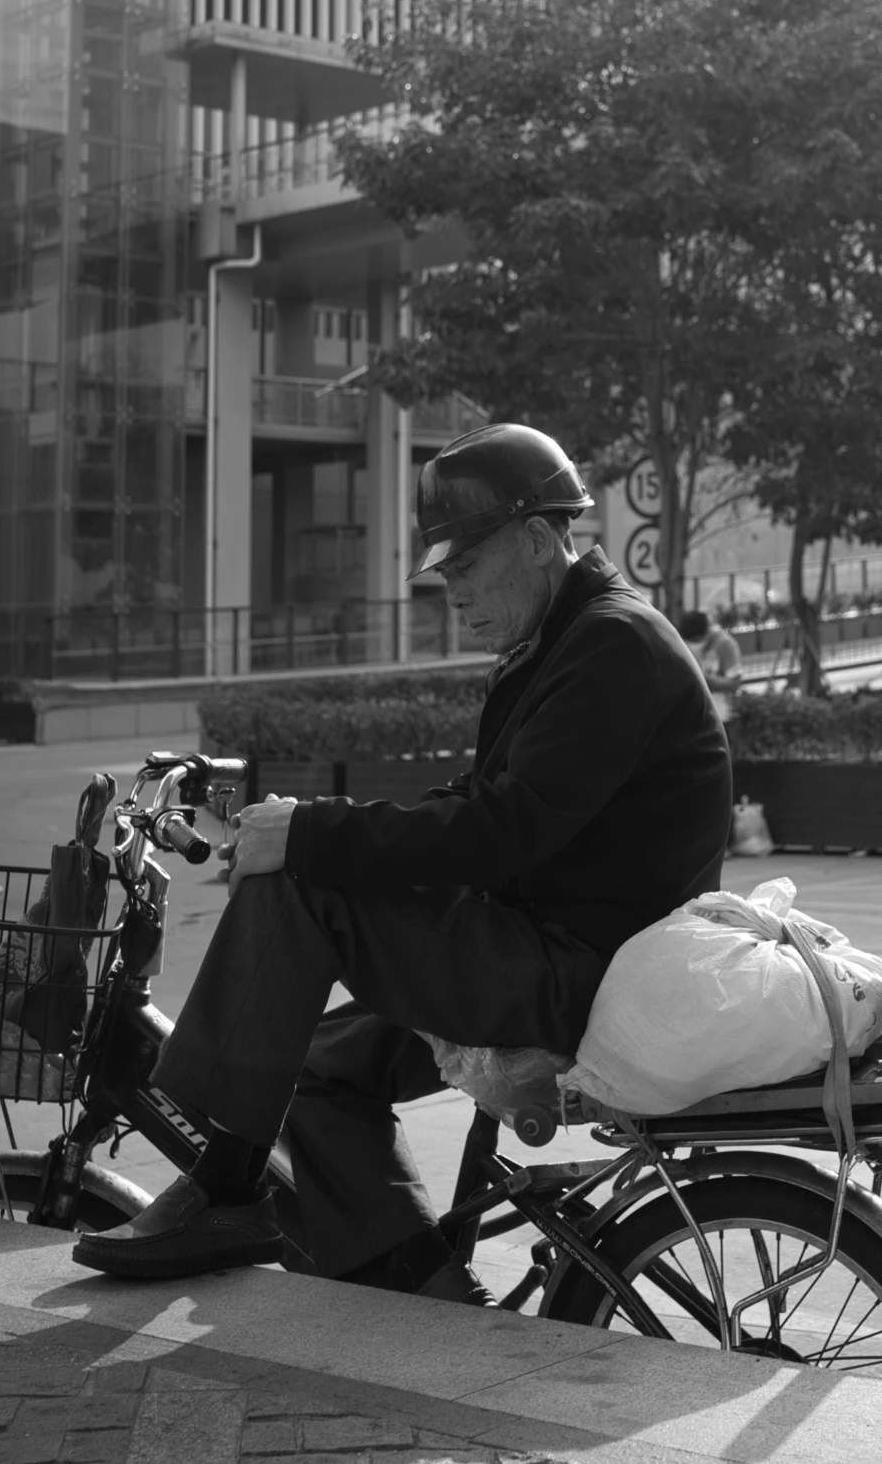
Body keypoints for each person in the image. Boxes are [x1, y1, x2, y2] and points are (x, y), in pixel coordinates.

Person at [74, 423, 733, 1292]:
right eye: (445, 572)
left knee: (301, 886)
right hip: (543, 947)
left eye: (464, 566)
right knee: (311, 1071)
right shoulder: (558, 641)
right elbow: (475, 806)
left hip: (580, 971)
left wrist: (309, 837)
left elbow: (503, 830)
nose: (450, 591)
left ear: (538, 540)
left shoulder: (611, 645)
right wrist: (312, 824)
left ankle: (223, 1182)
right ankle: (423, 1284)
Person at [678, 607, 744, 720]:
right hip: (696, 716)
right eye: (690, 641)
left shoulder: (724, 644)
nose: (694, 645)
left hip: (722, 716)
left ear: (706, 631)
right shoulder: (684, 644)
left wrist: (702, 678)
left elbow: (735, 683)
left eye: (697, 640)